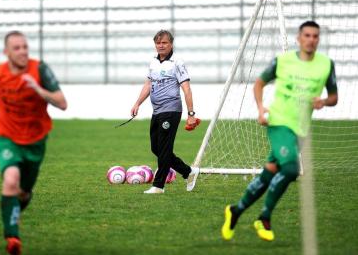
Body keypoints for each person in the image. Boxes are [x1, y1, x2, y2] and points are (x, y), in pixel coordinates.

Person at [222, 21, 338, 241]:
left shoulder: (326, 65)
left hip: (300, 128)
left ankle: (235, 211)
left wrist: (323, 101)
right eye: (307, 35)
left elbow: (334, 97)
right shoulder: (282, 61)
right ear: (299, 38)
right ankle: (264, 217)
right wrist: (260, 109)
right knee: (292, 169)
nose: (311, 40)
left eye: (315, 36)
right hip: (279, 123)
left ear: (318, 39)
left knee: (270, 174)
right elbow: (258, 83)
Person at [0, 31, 67, 255]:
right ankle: (12, 238)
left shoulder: (39, 70)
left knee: (23, 193)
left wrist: (38, 89)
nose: (22, 52)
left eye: (25, 47)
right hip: (7, 138)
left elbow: (62, 103)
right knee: (11, 179)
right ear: (6, 52)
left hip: (35, 141)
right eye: (17, 48)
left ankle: (14, 212)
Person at [131, 30, 201, 194]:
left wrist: (191, 115)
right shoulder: (153, 62)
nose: (161, 46)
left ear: (171, 44)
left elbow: (187, 89)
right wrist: (137, 103)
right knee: (156, 148)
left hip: (171, 110)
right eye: (158, 43)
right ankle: (187, 171)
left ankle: (158, 186)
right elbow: (148, 84)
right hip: (157, 111)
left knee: (164, 148)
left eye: (164, 43)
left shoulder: (177, 62)